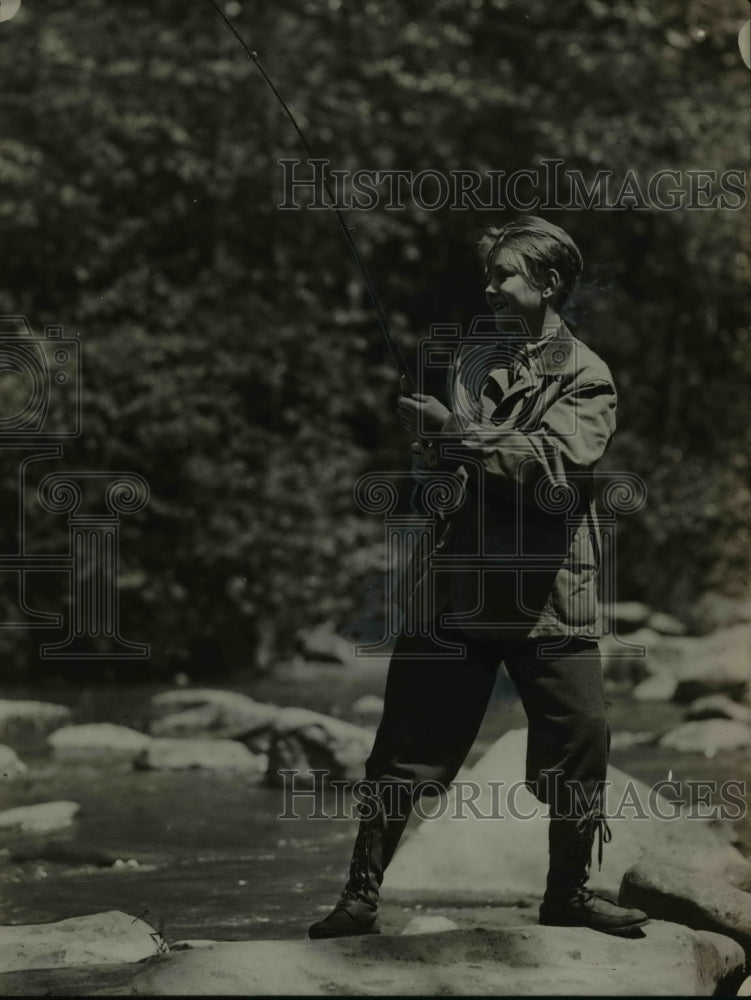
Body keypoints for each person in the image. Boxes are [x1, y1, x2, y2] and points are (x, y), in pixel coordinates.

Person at [309, 216, 648, 940]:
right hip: (456, 591)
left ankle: (569, 894)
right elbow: (458, 472)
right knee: (402, 750)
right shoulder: (472, 363)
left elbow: (554, 469)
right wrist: (434, 449)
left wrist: (456, 436)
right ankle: (359, 897)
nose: (488, 287)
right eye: (488, 275)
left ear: (549, 283)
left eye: (504, 275)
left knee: (579, 745)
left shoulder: (586, 374)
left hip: (548, 596)